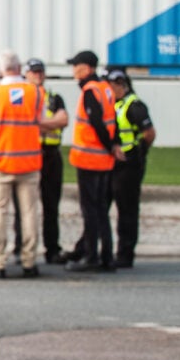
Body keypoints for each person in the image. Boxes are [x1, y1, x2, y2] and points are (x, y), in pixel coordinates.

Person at [0, 51, 43, 278]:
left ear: (1, 70)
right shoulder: (35, 93)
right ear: (20, 68)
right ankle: (29, 261)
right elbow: (38, 120)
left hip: (0, 163)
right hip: (29, 162)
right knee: (30, 213)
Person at [65, 49, 123, 273]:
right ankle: (106, 257)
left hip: (90, 159)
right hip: (103, 160)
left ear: (87, 68)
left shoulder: (90, 91)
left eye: (76, 66)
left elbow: (98, 123)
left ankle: (91, 257)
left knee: (90, 211)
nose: (73, 70)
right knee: (100, 209)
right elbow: (113, 121)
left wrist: (109, 145)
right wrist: (114, 146)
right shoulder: (106, 89)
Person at [12, 58, 69, 263]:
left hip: (51, 155)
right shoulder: (20, 96)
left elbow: (63, 120)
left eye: (40, 72)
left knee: (51, 205)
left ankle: (52, 249)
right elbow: (21, 123)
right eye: (33, 72)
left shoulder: (54, 98)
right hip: (29, 154)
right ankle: (21, 247)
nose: (37, 75)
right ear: (25, 74)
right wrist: (48, 124)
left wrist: (37, 123)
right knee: (24, 207)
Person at [107, 69, 157, 268]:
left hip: (129, 164)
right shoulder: (115, 104)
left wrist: (139, 151)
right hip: (114, 163)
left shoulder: (134, 106)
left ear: (121, 85)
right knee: (102, 205)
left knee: (127, 209)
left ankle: (125, 254)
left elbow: (149, 133)